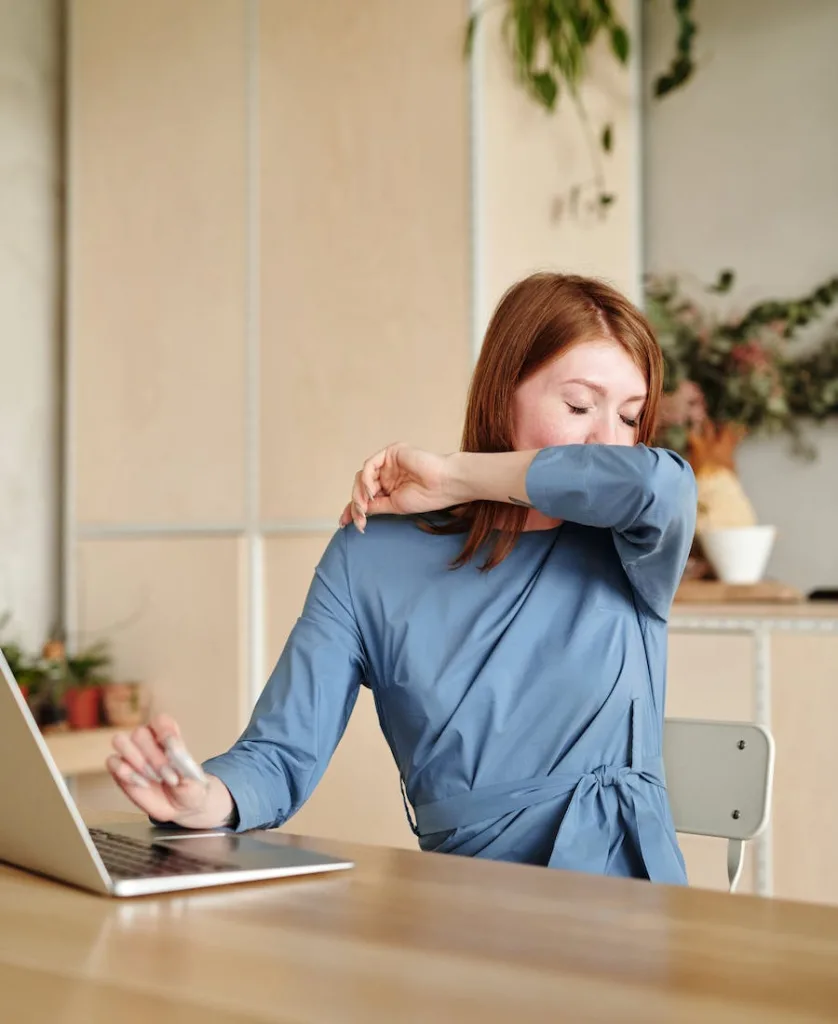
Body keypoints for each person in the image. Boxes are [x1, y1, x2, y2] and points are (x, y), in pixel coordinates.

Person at [106, 272, 697, 883]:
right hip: (465, 912)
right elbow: (281, 754)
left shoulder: (633, 547)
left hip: (624, 905)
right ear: (503, 394)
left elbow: (657, 482)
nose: (608, 443)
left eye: (630, 419)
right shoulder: (369, 556)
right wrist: (207, 802)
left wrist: (457, 477)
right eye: (578, 406)